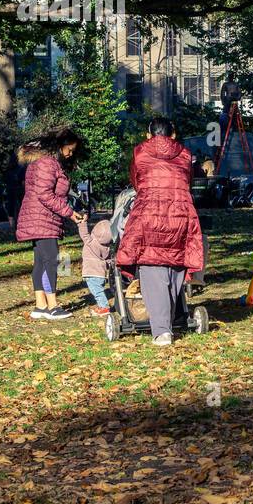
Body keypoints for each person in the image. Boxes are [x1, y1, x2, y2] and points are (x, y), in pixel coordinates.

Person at [115, 117, 205, 346]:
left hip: (149, 212)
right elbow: (188, 181)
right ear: (173, 134)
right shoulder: (185, 154)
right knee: (176, 263)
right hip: (180, 211)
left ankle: (162, 330)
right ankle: (172, 316)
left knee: (151, 266)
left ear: (148, 135)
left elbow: (136, 180)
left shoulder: (140, 152)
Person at [15, 128, 85, 319]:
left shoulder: (42, 162)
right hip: (42, 217)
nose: (70, 153)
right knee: (52, 260)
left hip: (38, 217)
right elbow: (45, 194)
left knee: (40, 261)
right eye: (69, 149)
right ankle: (53, 307)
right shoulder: (48, 163)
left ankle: (40, 305)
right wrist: (70, 213)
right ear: (60, 146)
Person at [78, 215, 114, 315]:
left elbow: (84, 234)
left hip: (92, 273)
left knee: (97, 292)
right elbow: (108, 260)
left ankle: (104, 307)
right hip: (101, 274)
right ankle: (102, 306)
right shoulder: (106, 248)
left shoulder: (90, 242)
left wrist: (82, 223)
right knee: (99, 291)